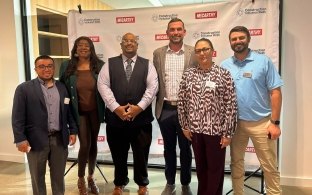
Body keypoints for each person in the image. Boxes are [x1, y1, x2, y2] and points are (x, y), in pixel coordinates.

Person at [221, 26, 283, 195]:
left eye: (241, 38)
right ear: (230, 42)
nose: (237, 41)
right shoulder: (224, 65)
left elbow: (276, 92)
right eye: (234, 39)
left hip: (262, 123)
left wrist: (275, 123)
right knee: (236, 163)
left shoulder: (263, 61)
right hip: (235, 125)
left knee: (269, 165)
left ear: (248, 39)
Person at [97, 32, 158, 195]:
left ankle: (142, 183)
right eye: (126, 41)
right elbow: (103, 86)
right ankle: (119, 182)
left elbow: (152, 88)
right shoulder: (109, 64)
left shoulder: (148, 65)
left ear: (137, 45)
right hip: (115, 121)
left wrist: (139, 107)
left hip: (141, 121)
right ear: (121, 44)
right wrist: (116, 108)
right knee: (118, 155)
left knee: (141, 155)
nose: (129, 43)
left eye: (132, 41)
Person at [177, 38, 237, 195]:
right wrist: (184, 125)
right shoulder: (189, 74)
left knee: (215, 169)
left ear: (212, 51)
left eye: (205, 49)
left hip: (216, 131)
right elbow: (182, 101)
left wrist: (228, 133)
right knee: (201, 167)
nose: (202, 53)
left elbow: (230, 105)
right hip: (195, 130)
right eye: (198, 50)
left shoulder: (223, 74)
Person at [11, 55, 78, 195]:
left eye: (49, 66)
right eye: (42, 66)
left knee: (59, 177)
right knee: (37, 177)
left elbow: (68, 111)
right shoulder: (24, 89)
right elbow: (17, 117)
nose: (46, 69)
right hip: (35, 141)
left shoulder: (62, 87)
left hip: (59, 139)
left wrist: (73, 130)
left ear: (54, 68)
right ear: (35, 69)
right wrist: (20, 139)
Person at [153, 17, 196, 195]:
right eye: (172, 29)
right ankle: (170, 182)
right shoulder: (158, 53)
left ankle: (185, 183)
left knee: (186, 148)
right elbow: (154, 81)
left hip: (187, 110)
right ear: (167, 32)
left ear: (184, 32)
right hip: (166, 109)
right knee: (168, 148)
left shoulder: (194, 52)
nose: (176, 32)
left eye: (179, 29)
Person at [59, 36, 105, 195]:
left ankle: (91, 177)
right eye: (80, 45)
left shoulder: (99, 65)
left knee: (93, 145)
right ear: (75, 48)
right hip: (78, 112)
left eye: (87, 45)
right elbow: (62, 90)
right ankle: (80, 178)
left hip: (96, 111)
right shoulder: (67, 66)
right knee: (85, 144)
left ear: (91, 48)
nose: (83, 48)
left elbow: (107, 88)